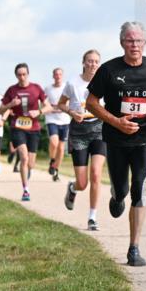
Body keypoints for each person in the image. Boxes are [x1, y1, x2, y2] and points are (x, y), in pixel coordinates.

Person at [87, 21, 146, 267]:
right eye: (130, 40)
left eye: (139, 40)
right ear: (122, 42)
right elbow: (91, 102)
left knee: (139, 189)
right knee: (122, 190)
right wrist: (116, 122)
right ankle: (116, 195)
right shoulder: (109, 70)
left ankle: (134, 248)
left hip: (144, 139)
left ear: (145, 42)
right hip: (116, 139)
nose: (135, 45)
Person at [60, 49, 106, 231]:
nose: (93, 64)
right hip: (79, 131)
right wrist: (71, 112)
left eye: (96, 61)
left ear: (99, 64)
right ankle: (73, 188)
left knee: (96, 173)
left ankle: (92, 217)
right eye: (89, 61)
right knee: (82, 183)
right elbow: (60, 104)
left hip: (99, 130)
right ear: (83, 63)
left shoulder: (105, 82)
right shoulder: (73, 83)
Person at [0, 63, 49, 202]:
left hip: (33, 128)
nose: (22, 77)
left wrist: (39, 111)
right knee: (24, 157)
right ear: (16, 75)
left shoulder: (36, 88)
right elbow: (0, 110)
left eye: (24, 74)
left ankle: (27, 171)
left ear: (28, 74)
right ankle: (25, 190)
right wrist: (10, 105)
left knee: (31, 163)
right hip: (17, 127)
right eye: (19, 75)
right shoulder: (11, 90)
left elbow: (48, 106)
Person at [44, 67, 71, 182]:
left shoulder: (67, 87)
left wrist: (63, 107)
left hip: (64, 120)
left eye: (60, 74)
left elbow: (70, 101)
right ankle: (52, 159)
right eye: (56, 74)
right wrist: (51, 107)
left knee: (61, 148)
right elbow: (44, 103)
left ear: (62, 75)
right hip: (51, 119)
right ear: (53, 76)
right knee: (54, 143)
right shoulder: (48, 89)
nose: (58, 76)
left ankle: (56, 171)